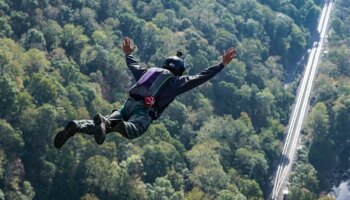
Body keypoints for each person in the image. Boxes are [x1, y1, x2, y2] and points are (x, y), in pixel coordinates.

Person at [54, 37, 237, 149]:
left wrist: (128, 54)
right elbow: (199, 77)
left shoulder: (148, 72)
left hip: (127, 104)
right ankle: (108, 122)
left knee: (103, 129)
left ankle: (77, 126)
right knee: (134, 131)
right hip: (143, 111)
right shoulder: (175, 82)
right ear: (179, 71)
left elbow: (133, 65)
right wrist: (221, 65)